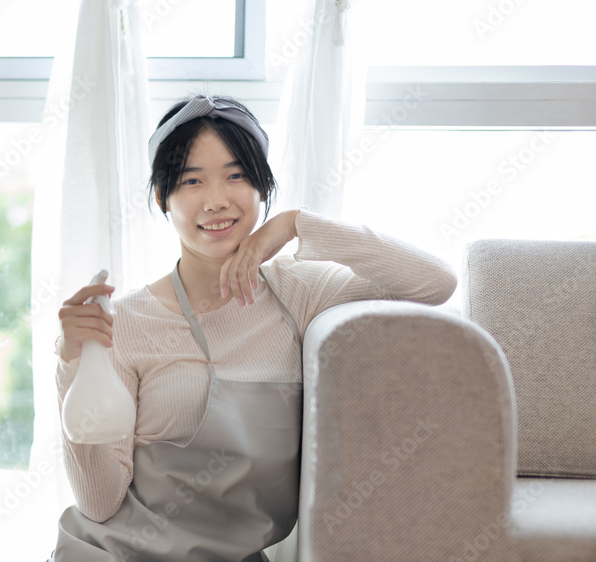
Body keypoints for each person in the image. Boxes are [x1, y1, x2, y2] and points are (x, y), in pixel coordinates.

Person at [49, 94, 457, 561]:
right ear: (162, 197)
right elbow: (100, 504)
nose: (216, 200)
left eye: (237, 175)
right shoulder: (124, 326)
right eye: (191, 181)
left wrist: (296, 225)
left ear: (262, 186)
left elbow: (434, 282)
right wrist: (74, 367)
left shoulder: (298, 293)